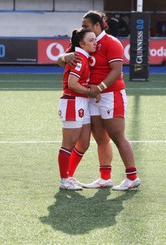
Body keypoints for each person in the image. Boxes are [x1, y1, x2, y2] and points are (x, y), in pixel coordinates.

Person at [59, 10, 141, 191]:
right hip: (92, 96)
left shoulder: (111, 43)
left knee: (117, 136)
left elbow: (116, 71)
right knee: (101, 138)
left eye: (86, 25)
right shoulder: (83, 41)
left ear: (97, 25)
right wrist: (66, 57)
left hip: (110, 95)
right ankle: (105, 177)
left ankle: (132, 176)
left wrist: (98, 89)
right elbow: (60, 59)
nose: (83, 28)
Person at [57, 28, 97, 191]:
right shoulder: (79, 58)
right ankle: (64, 179)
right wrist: (90, 91)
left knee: (84, 143)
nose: (95, 43)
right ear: (81, 43)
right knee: (68, 144)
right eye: (91, 40)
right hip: (73, 102)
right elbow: (73, 84)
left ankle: (69, 176)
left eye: (95, 39)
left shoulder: (82, 57)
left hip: (82, 102)